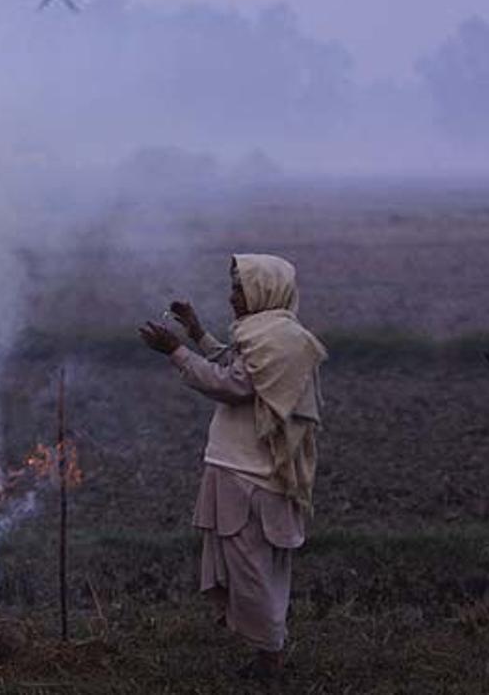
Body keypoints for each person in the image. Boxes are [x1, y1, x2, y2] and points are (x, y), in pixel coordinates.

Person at [138, 253, 326, 681]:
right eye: (234, 286)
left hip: (251, 476)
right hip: (244, 470)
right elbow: (238, 364)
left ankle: (269, 659)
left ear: (265, 289)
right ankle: (266, 652)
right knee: (256, 568)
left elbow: (234, 384)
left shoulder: (280, 338)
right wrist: (197, 332)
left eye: (241, 287)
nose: (233, 296)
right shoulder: (268, 333)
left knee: (253, 570)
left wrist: (177, 352)